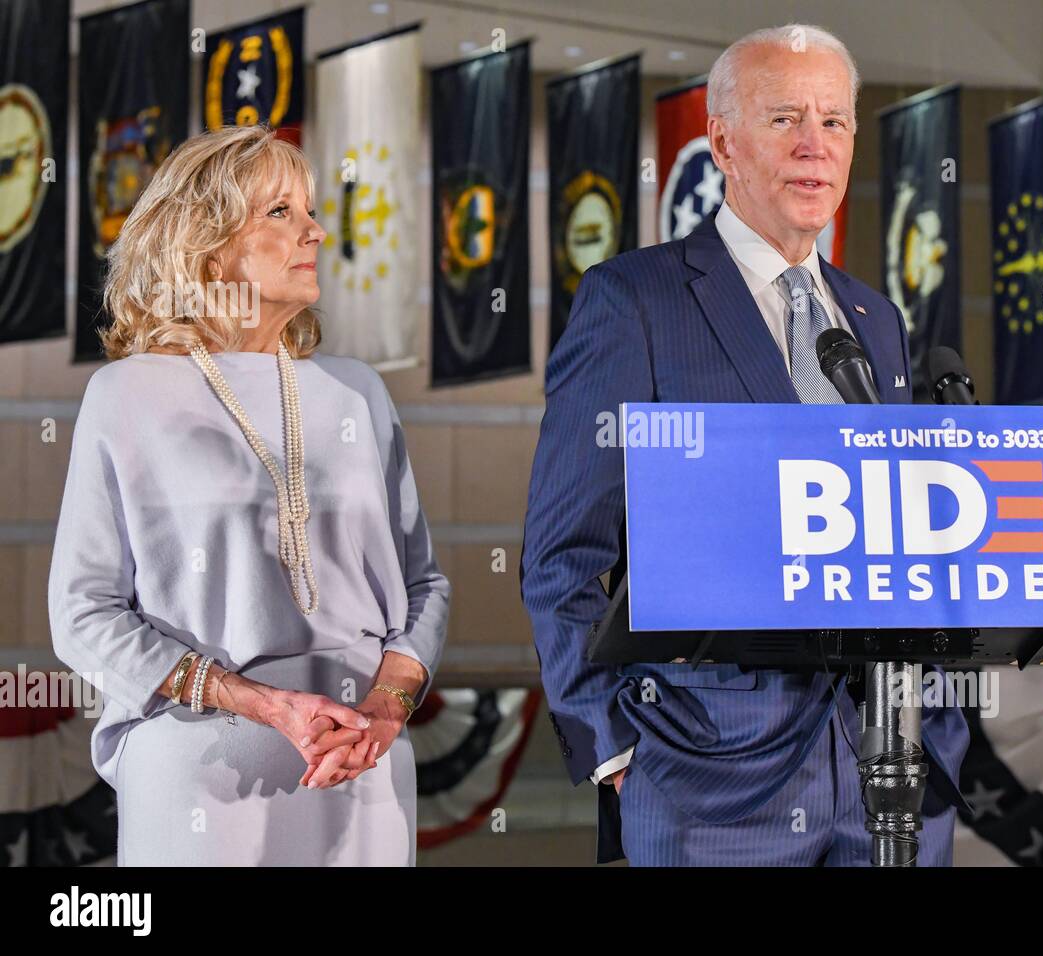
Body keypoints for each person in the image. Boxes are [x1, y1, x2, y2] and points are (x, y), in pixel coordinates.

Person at [521, 23, 971, 865]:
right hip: (708, 782)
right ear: (723, 143)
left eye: (834, 122)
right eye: (785, 119)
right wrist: (613, 748)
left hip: (890, 771)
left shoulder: (878, 320)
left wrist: (938, 721)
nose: (815, 146)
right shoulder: (635, 300)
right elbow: (562, 553)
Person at [47, 125, 450, 865]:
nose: (316, 232)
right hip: (202, 777)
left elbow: (425, 584)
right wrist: (265, 706)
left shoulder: (357, 391)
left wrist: (384, 712)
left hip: (361, 770)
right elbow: (82, 612)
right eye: (281, 213)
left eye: (311, 210)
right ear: (207, 243)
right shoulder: (128, 395)